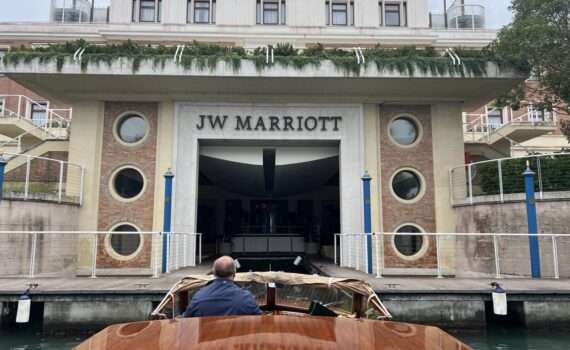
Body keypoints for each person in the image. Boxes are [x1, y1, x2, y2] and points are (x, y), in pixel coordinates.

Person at [183, 256, 262, 317]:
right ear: (234, 274)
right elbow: (260, 319)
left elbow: (186, 319)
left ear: (213, 273)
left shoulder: (198, 297)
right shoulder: (246, 298)